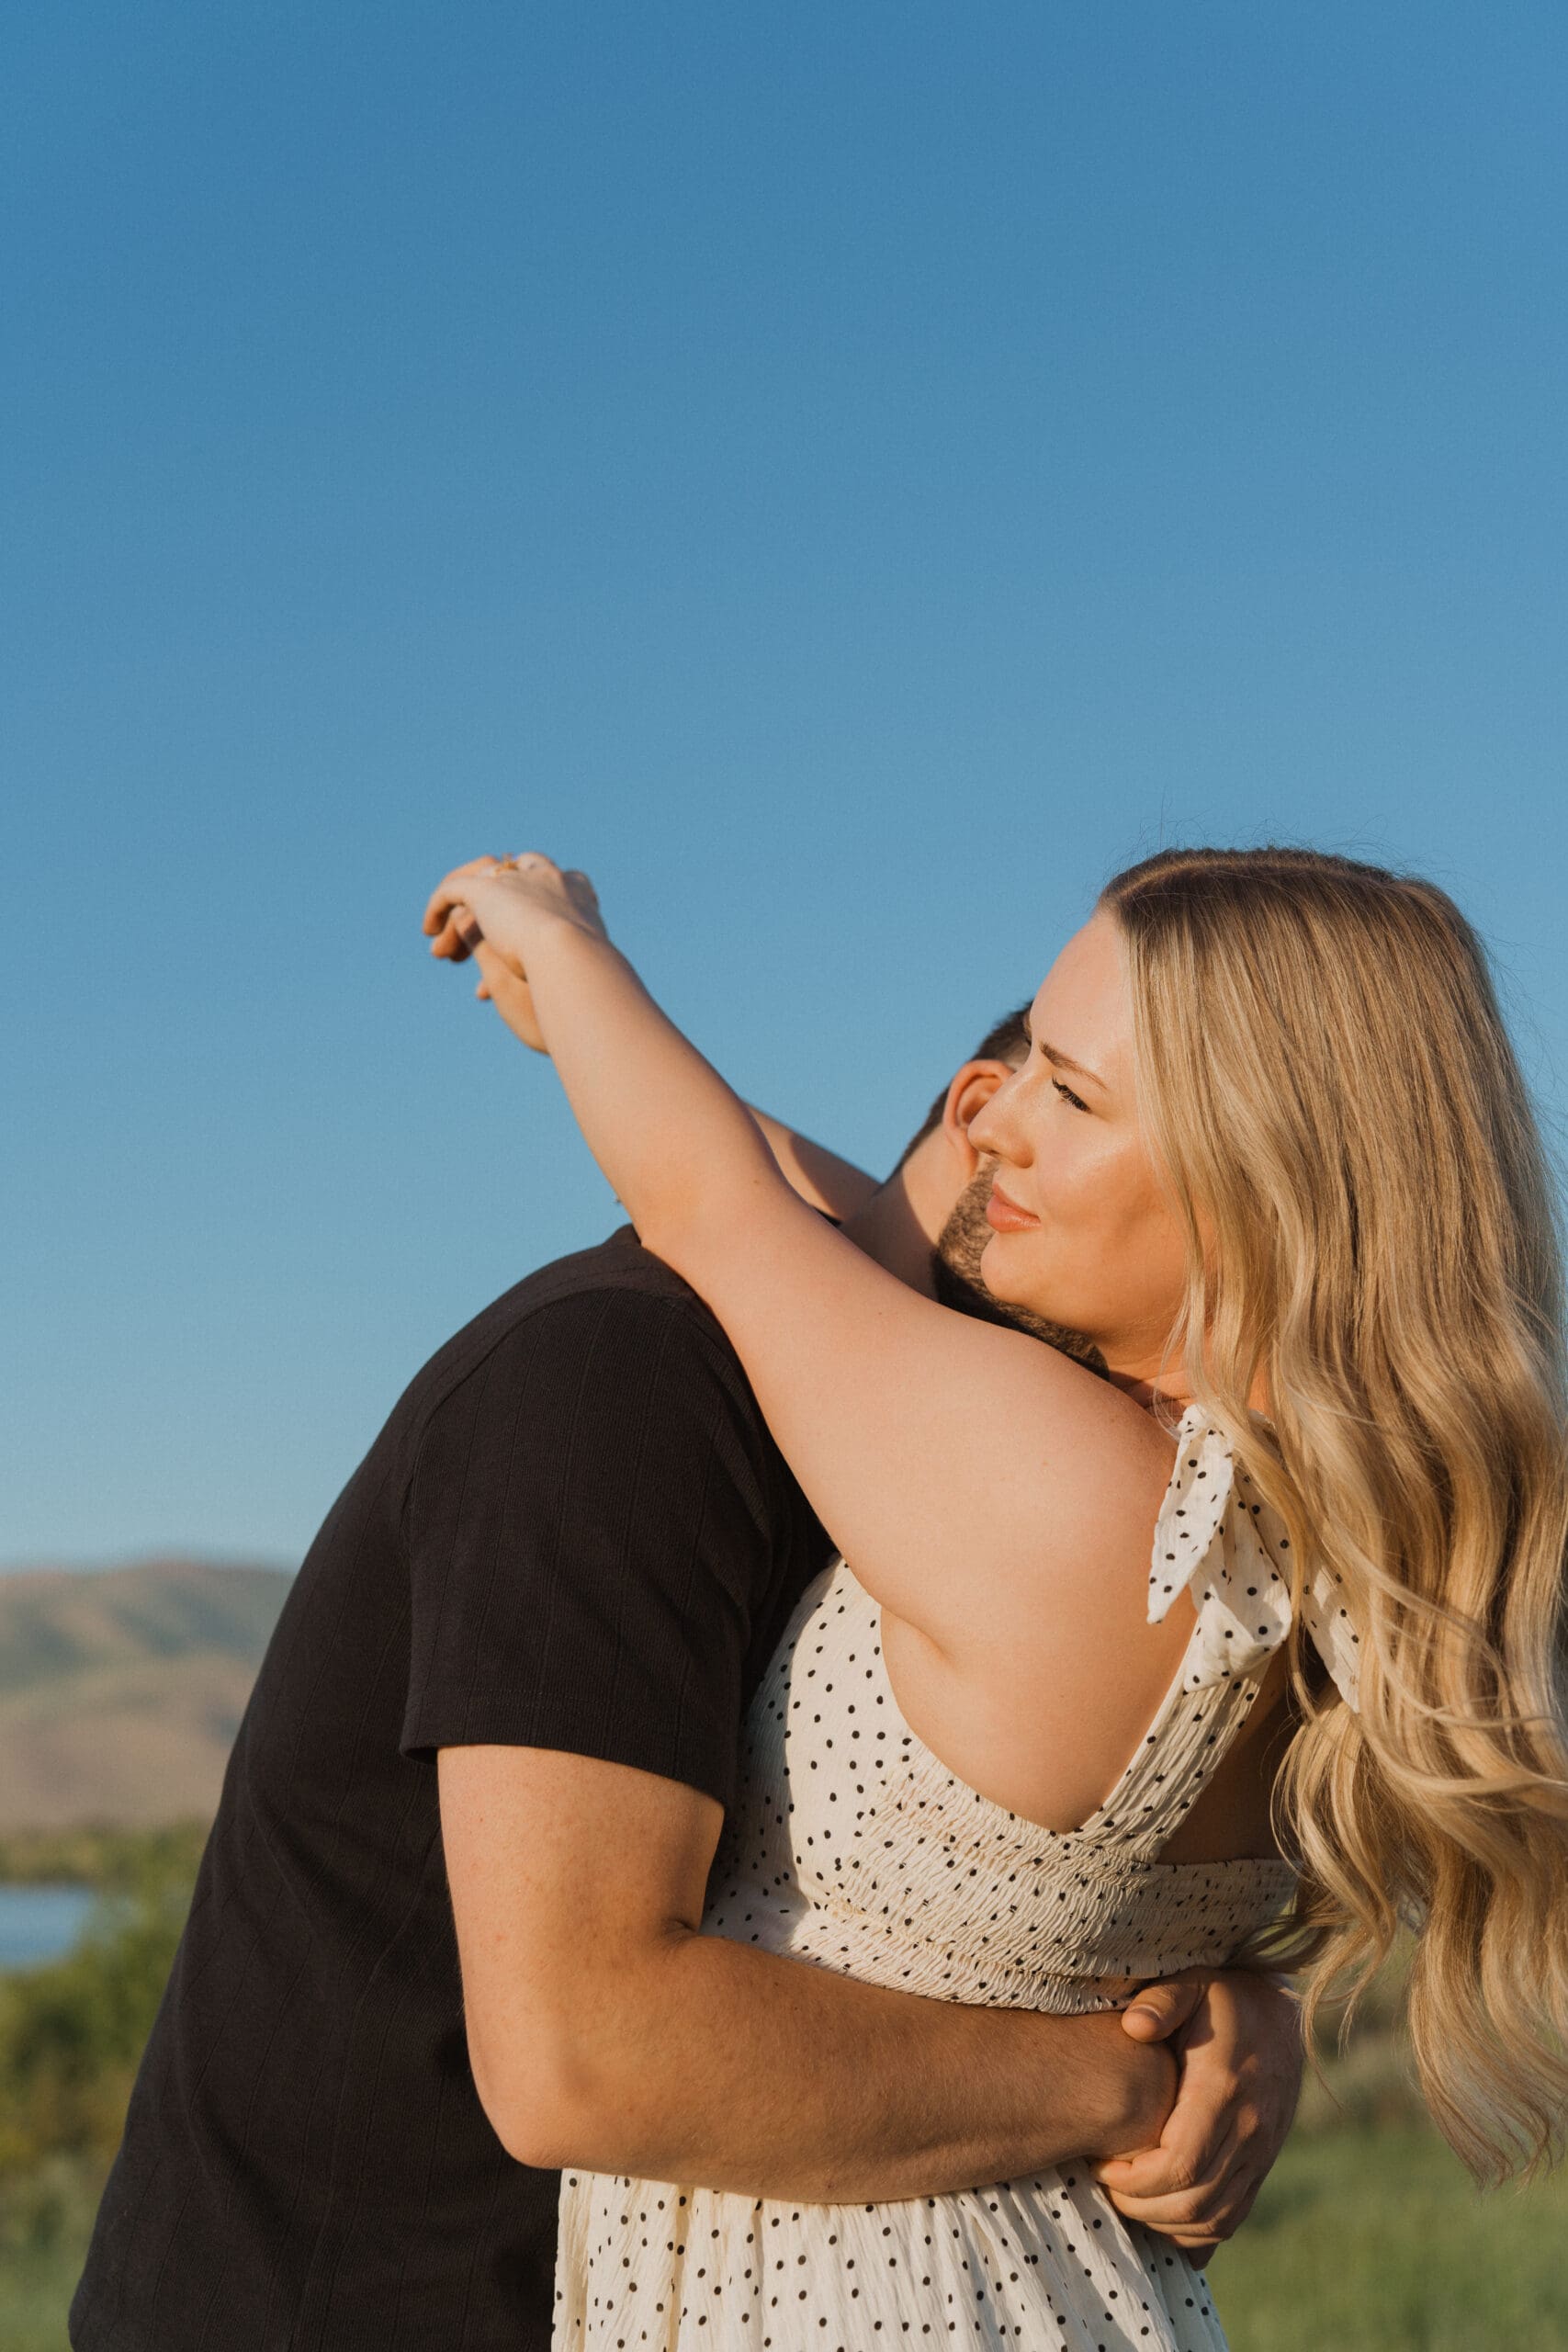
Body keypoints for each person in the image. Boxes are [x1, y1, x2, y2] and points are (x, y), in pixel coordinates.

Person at [424, 842, 1568, 2351]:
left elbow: (713, 1205)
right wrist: (580, 1020)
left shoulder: (1053, 1488)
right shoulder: (1330, 1561)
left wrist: (566, 944)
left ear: (1259, 1184)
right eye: (1024, 1060)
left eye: (1072, 1099)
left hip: (836, 2288)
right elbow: (843, 1227)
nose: (992, 1121)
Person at [70, 1009, 1303, 2352]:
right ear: (982, 1120)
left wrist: (1229, 2010)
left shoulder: (939, 1470)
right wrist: (1125, 2080)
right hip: (368, 2305)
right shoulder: (623, 1386)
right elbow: (583, 2051)